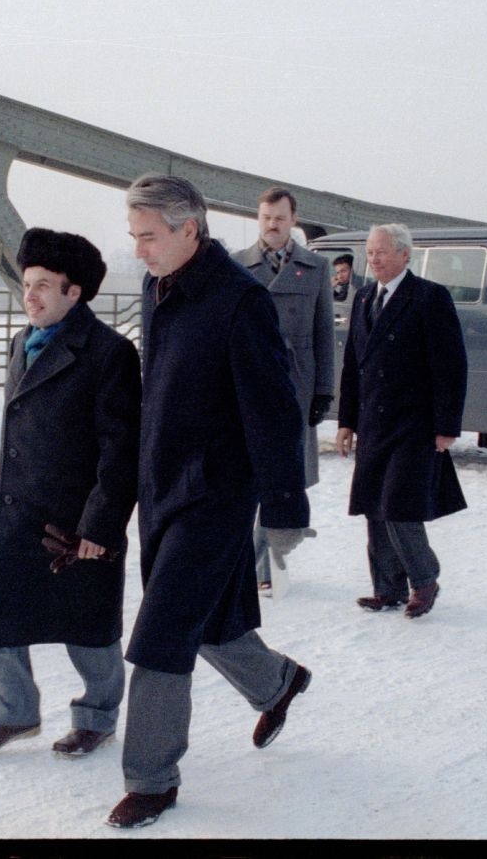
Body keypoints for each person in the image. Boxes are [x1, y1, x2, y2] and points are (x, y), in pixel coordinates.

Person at [106, 173, 313, 829]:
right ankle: (277, 682)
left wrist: (284, 505)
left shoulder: (240, 302)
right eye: (133, 237)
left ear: (188, 230)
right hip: (162, 486)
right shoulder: (157, 284)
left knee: (163, 629)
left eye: (148, 237)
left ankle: (151, 777)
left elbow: (275, 410)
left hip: (218, 493)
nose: (138, 250)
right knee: (210, 618)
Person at [0, 228, 141, 759]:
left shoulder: (109, 354)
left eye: (44, 285)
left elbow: (121, 452)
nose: (31, 295)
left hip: (71, 523)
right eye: (28, 284)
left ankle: (97, 716)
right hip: (13, 512)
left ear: (75, 293)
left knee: (87, 628)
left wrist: (99, 526)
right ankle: (14, 712)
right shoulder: (20, 343)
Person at [337, 223, 467, 619]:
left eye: (382, 252)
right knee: (374, 507)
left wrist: (446, 426)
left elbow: (451, 366)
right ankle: (387, 587)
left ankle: (424, 579)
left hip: (414, 422)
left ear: (405, 255)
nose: (373, 259)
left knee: (398, 506)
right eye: (370, 252)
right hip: (374, 422)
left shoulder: (429, 298)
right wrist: (346, 421)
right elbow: (351, 367)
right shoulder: (362, 299)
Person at [234, 187, 334, 595]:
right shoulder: (238, 265)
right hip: (249, 387)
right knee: (246, 477)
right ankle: (254, 565)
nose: (271, 225)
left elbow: (323, 332)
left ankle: (264, 565)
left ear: (293, 220)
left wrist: (324, 391)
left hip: (296, 387)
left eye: (279, 218)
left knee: (284, 480)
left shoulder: (316, 267)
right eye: (265, 218)